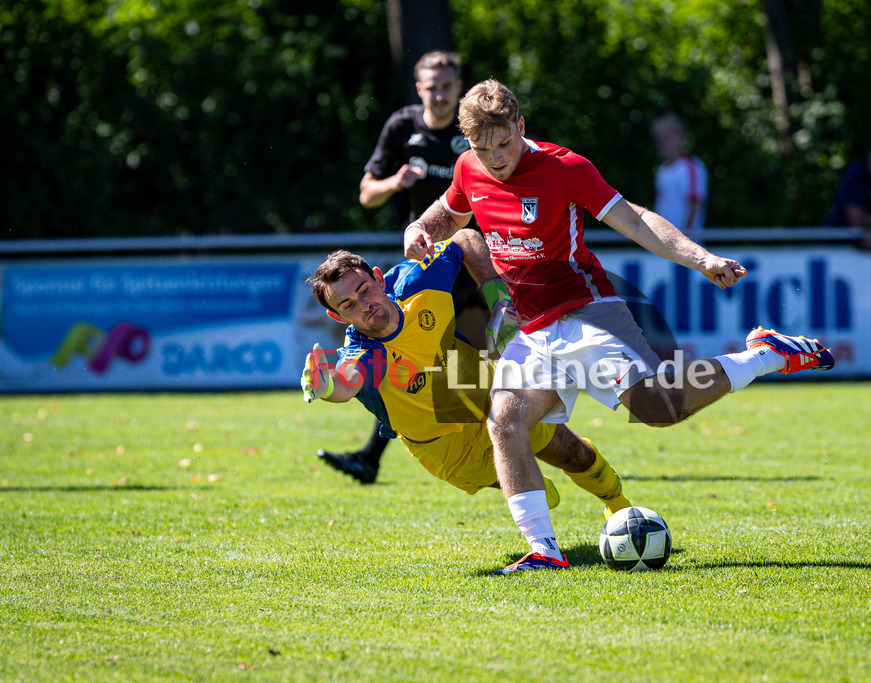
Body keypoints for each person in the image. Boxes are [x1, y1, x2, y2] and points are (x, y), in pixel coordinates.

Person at [404, 79, 837, 574]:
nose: (496, 158)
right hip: (530, 328)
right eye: (484, 149)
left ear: (520, 127)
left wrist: (701, 259)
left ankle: (768, 353)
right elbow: (445, 214)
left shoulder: (565, 167)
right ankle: (545, 551)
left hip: (585, 310)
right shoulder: (468, 168)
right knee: (505, 421)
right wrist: (419, 229)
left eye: (504, 143)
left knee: (659, 409)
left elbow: (637, 220)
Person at [301, 230, 633, 555]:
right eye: (349, 305)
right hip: (446, 447)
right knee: (524, 481)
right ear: (337, 316)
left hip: (483, 392)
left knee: (572, 452)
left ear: (378, 278)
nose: (365, 305)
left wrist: (498, 301)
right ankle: (536, 513)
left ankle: (622, 510)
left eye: (364, 290)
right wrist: (325, 386)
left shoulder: (419, 280)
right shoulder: (364, 352)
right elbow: (347, 383)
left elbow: (465, 238)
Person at [319, 50, 486, 484]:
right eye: (433, 87)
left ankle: (516, 433)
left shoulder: (472, 130)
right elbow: (365, 194)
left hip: (471, 258)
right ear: (420, 89)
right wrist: (395, 182)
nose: (442, 95)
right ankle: (501, 441)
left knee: (473, 360)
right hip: (422, 265)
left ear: (459, 88)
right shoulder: (402, 127)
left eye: (449, 86)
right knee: (413, 360)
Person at [650, 114, 708, 242]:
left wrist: (683, 241)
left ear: (680, 137)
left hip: (685, 247)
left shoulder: (690, 166)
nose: (663, 144)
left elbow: (694, 203)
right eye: (660, 139)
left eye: (667, 138)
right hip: (663, 244)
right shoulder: (662, 170)